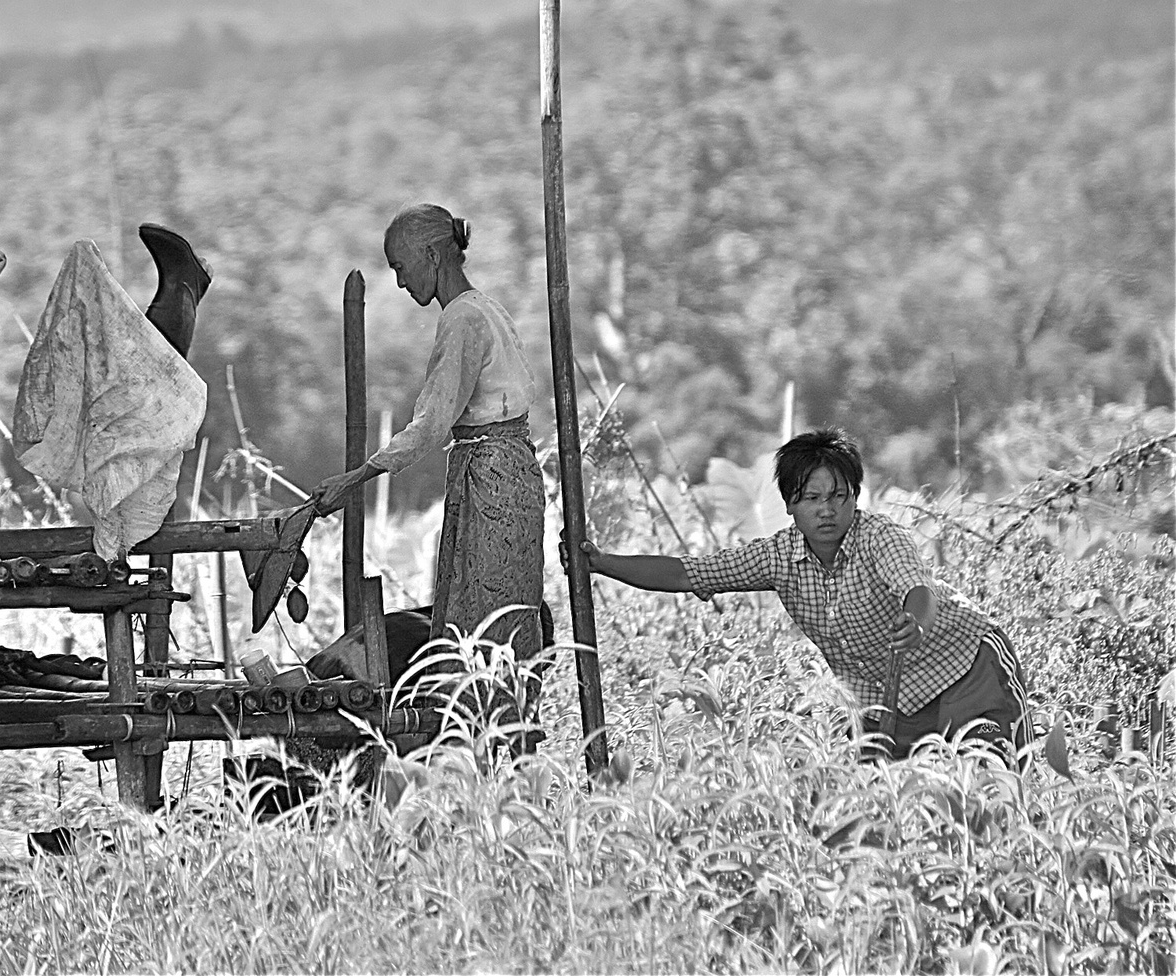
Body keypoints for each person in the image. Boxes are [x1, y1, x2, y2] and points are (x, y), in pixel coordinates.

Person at [568, 428, 1034, 764]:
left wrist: (916, 622)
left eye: (838, 496)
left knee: (1003, 773)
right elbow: (690, 573)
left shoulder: (879, 537)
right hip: (886, 701)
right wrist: (602, 562)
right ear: (789, 504)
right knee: (896, 807)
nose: (827, 510)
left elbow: (917, 588)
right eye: (812, 499)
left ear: (856, 498)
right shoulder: (777, 557)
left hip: (967, 669)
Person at [310, 202, 548, 665]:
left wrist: (353, 479)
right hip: (514, 471)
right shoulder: (488, 308)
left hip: (491, 479)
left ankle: (483, 722)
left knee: (481, 621)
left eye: (401, 268)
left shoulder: (463, 317)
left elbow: (430, 426)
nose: (400, 282)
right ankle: (501, 722)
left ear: (433, 256)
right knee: (502, 613)